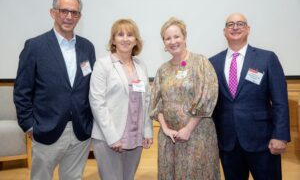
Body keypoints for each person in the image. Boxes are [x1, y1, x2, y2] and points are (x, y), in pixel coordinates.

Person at [13, 0, 96, 180]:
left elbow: (89, 87)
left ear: (79, 17)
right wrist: (29, 126)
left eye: (74, 13)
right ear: (53, 13)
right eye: (64, 11)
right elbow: (22, 91)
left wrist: (89, 122)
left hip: (80, 131)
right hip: (45, 130)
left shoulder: (87, 47)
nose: (69, 16)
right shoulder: (34, 46)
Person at [209, 13, 290, 180]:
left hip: (263, 142)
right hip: (228, 144)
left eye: (240, 23)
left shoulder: (267, 58)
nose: (235, 27)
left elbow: (280, 101)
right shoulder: (212, 63)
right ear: (224, 31)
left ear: (248, 29)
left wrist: (280, 135)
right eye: (230, 24)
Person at [149, 17, 221, 180]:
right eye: (168, 38)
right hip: (169, 139)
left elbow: (208, 96)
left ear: (184, 38)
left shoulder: (200, 62)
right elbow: (157, 103)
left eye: (176, 36)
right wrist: (165, 129)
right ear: (164, 43)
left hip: (197, 135)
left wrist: (188, 129)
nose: (172, 41)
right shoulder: (162, 70)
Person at [89, 19, 153, 180]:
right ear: (113, 40)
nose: (125, 38)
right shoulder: (103, 65)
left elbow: (146, 101)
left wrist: (147, 131)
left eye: (130, 35)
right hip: (109, 136)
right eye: (120, 34)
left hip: (135, 136)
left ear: (136, 40)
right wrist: (112, 136)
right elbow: (97, 102)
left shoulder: (140, 66)